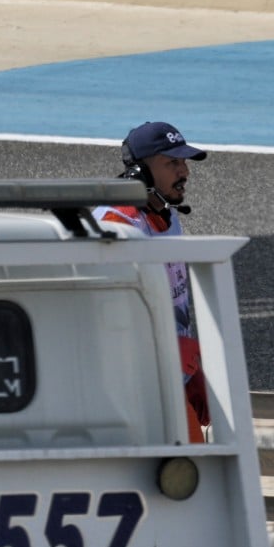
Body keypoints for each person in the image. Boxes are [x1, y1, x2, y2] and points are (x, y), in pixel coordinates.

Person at [95, 121, 211, 443]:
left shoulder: (167, 216)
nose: (184, 171)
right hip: (131, 389)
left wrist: (190, 373)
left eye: (183, 162)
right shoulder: (116, 227)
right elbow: (104, 317)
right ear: (140, 172)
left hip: (165, 377)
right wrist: (171, 350)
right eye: (171, 163)